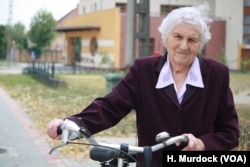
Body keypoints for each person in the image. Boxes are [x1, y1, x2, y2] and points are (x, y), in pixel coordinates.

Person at [47, 2, 240, 166]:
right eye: (178, 37)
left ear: (200, 45)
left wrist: (203, 145)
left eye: (192, 40)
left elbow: (230, 132)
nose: (184, 46)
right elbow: (110, 106)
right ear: (165, 39)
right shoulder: (144, 71)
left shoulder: (217, 74)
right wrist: (73, 124)